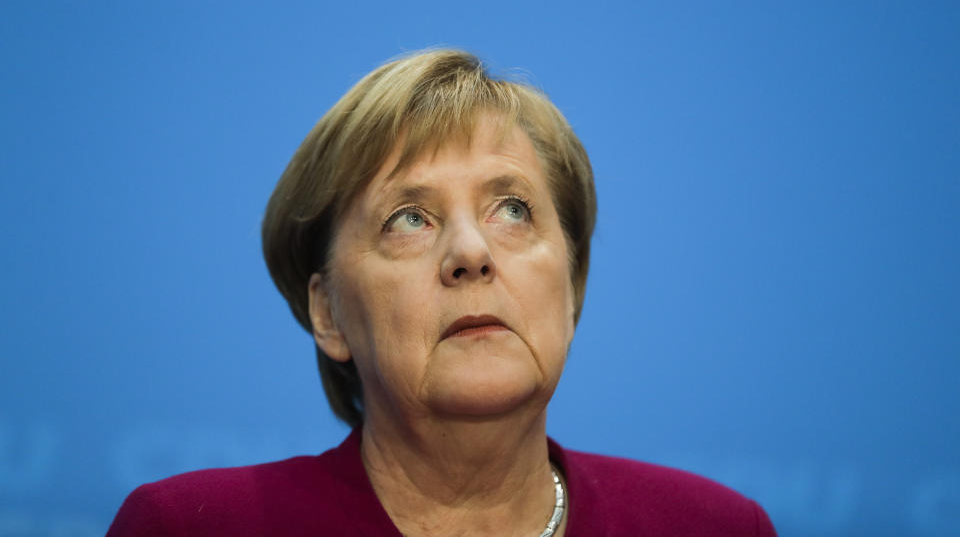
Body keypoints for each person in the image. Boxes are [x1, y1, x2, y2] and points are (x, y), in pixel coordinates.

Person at [107, 49, 777, 536]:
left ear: (571, 288)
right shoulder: (194, 527)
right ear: (328, 313)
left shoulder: (713, 527)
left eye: (512, 209)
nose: (471, 254)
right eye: (409, 220)